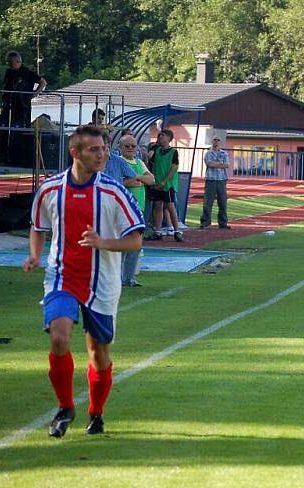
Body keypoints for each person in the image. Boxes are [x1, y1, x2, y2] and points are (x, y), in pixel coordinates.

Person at [22, 124, 145, 438]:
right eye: (94, 149)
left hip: (103, 282)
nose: (102, 154)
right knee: (59, 338)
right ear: (75, 153)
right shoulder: (50, 189)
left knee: (98, 353)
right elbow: (38, 226)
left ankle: (96, 412)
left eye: (104, 148)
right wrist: (35, 255)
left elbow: (136, 241)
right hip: (61, 276)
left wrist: (103, 242)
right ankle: (65, 408)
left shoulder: (113, 191)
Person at [118, 134, 155, 287]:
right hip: (123, 210)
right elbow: (120, 182)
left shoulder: (139, 162)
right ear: (120, 148)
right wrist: (137, 180)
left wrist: (136, 179)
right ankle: (117, 279)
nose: (131, 149)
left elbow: (151, 180)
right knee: (122, 246)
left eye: (133, 146)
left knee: (135, 246)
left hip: (138, 209)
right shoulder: (118, 162)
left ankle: (129, 279)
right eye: (127, 146)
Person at [148, 129, 183, 242]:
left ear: (169, 138)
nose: (160, 137)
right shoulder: (157, 150)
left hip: (168, 184)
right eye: (159, 136)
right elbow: (152, 163)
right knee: (158, 206)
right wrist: (154, 180)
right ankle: (158, 232)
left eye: (162, 136)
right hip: (157, 182)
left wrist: (164, 182)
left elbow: (174, 168)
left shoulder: (173, 152)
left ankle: (177, 231)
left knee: (170, 206)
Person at [0, 51, 46, 128]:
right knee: (4, 125)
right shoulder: (9, 73)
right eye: (8, 62)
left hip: (22, 105)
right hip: (8, 104)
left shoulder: (27, 73)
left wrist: (35, 93)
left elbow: (43, 82)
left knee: (21, 127)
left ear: (18, 61)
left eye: (11, 62)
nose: (9, 64)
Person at [200, 135, 230, 229]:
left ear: (220, 142)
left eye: (218, 140)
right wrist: (220, 164)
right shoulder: (208, 153)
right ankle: (205, 222)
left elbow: (227, 165)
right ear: (212, 141)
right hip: (211, 179)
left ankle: (223, 223)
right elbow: (209, 163)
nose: (216, 141)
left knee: (222, 202)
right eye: (214, 140)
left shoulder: (224, 153)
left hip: (222, 179)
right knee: (208, 202)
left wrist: (215, 164)